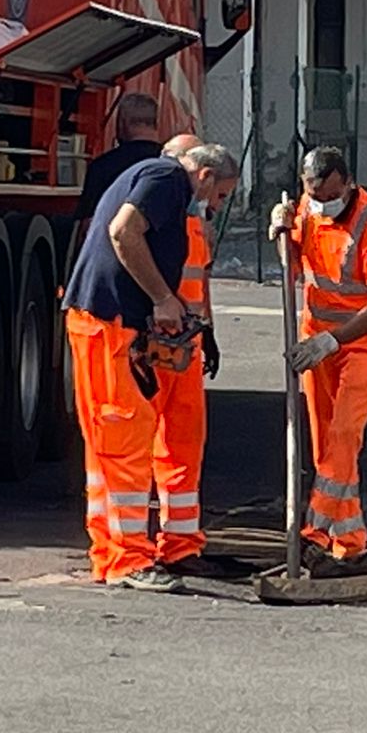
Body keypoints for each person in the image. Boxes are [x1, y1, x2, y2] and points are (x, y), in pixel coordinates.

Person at [64, 139, 240, 591]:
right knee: (122, 437)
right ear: (204, 174)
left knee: (112, 440)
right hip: (109, 322)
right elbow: (123, 232)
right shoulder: (166, 180)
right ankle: (126, 559)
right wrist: (163, 299)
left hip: (110, 322)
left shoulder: (158, 181)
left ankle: (115, 553)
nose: (214, 204)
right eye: (219, 193)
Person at [269, 146, 367, 564]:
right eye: (314, 195)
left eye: (329, 195)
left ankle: (315, 531)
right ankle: (349, 540)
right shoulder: (306, 209)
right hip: (317, 341)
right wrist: (281, 232)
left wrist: (334, 341)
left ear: (347, 182)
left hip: (364, 341)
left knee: (344, 435)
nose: (323, 204)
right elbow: (293, 267)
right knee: (327, 446)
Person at [149, 134, 219, 568]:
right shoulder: (161, 213)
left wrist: (209, 332)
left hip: (186, 346)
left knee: (184, 443)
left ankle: (179, 543)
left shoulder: (195, 221)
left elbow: (201, 279)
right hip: (158, 343)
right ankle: (143, 542)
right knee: (145, 441)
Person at [72, 91, 163, 224]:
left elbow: (87, 223)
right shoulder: (171, 165)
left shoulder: (102, 166)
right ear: (156, 123)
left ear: (122, 122)